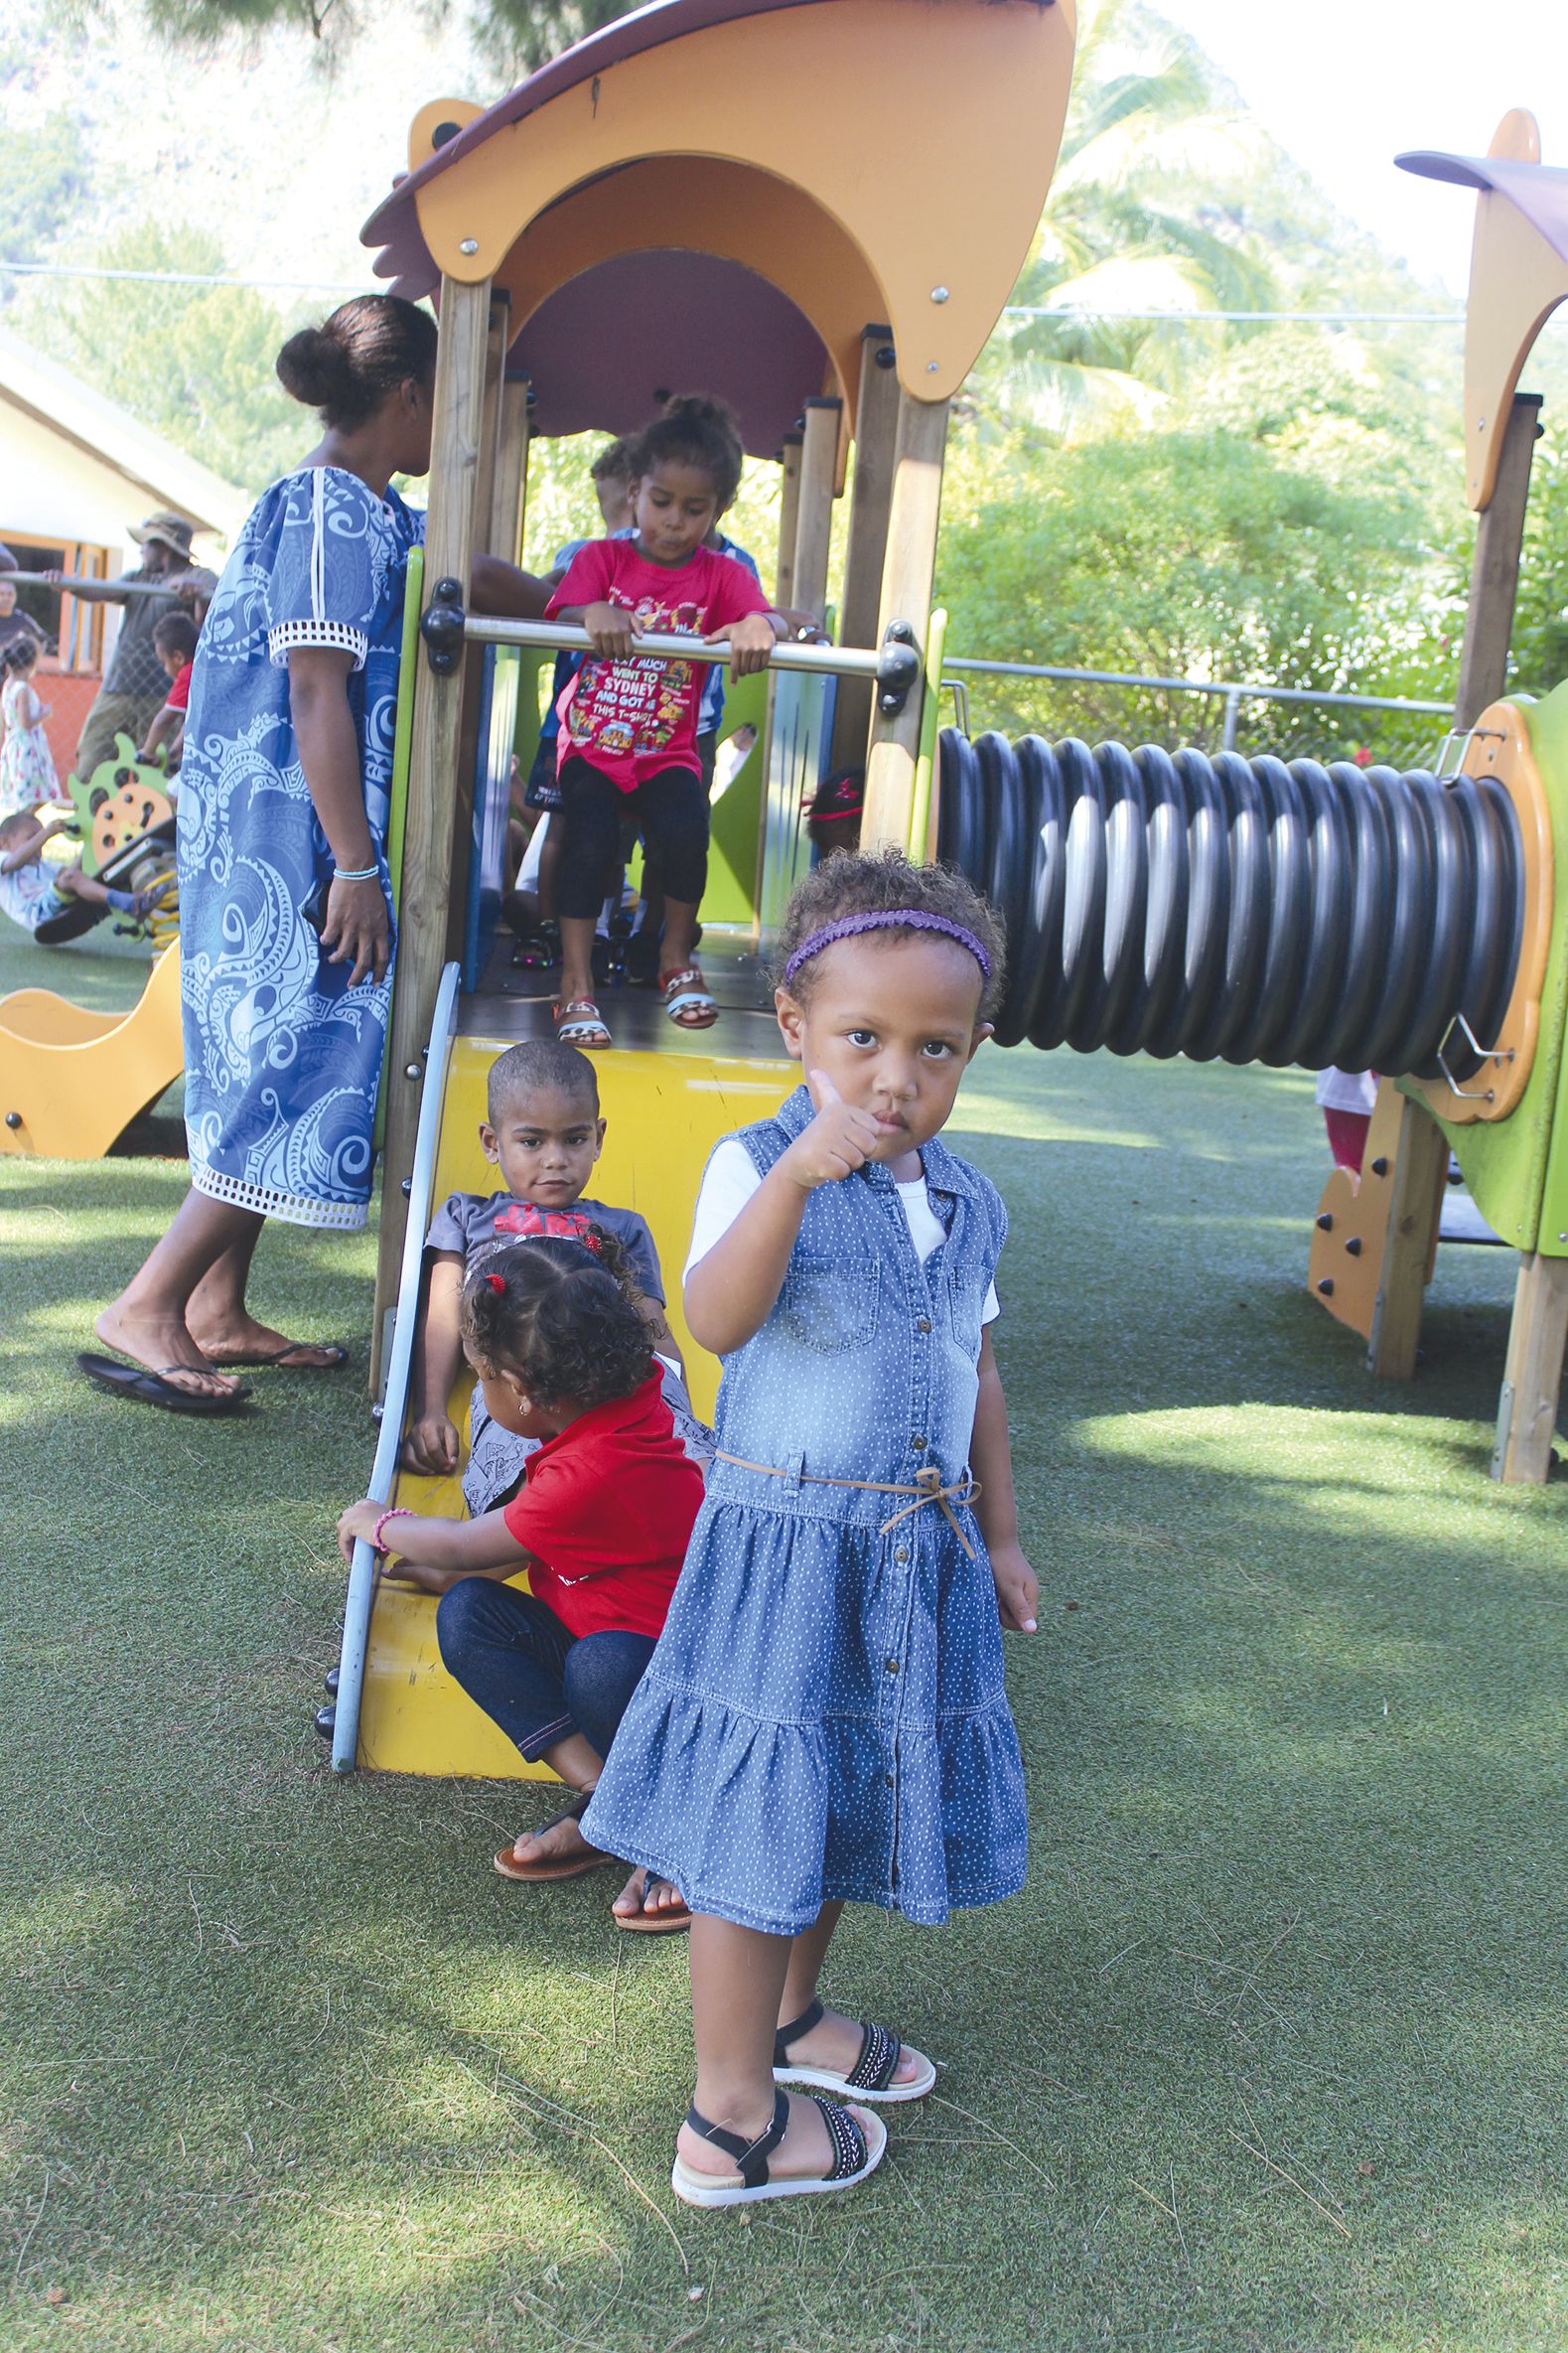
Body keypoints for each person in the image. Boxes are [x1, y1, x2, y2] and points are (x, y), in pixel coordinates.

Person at [580, 848, 1038, 2208]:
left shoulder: (965, 1202)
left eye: (934, 1048)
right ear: (793, 1028)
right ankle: (727, 2121)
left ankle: (788, 2019)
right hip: (785, 1551)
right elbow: (712, 1322)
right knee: (754, 1817)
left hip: (911, 1553)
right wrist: (796, 1182)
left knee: (836, 1787)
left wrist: (1000, 1536)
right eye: (862, 1040)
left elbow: (978, 1374)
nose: (896, 1078)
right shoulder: (755, 1163)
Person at [82, 294, 551, 1417]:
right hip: (294, 838)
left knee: (273, 1052)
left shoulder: (368, 510)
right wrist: (352, 862)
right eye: (450, 407)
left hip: (294, 830)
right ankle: (146, 1300)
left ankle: (215, 1305)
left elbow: (468, 574)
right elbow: (312, 685)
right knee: (295, 1051)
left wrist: (597, 598)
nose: (455, 430)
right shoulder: (333, 507)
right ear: (407, 399)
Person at [338, 1234, 704, 1932]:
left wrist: (381, 1524)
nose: (477, 1391)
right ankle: (607, 1803)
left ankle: (671, 1825)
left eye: (481, 1377)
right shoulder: (626, 1395)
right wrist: (453, 1570)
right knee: (471, 1611)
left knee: (598, 1666)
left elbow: (471, 1540)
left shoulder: (594, 1468)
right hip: (605, 1635)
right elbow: (500, 1554)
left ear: (528, 1393)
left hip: (668, 1679)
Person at [544, 396, 784, 1050]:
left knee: (684, 830)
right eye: (661, 501)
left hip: (667, 750)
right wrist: (592, 611)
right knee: (589, 840)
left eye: (694, 509)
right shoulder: (603, 559)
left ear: (719, 511)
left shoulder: (721, 575)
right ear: (634, 492)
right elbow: (562, 611)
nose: (674, 522)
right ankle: (575, 979)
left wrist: (760, 625)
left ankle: (676, 959)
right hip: (593, 744)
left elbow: (766, 617)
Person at [403, 1037, 707, 1515]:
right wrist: (431, 1411)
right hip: (519, 1390)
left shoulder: (622, 1227)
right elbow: (442, 1316)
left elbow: (653, 1330)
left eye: (575, 1139)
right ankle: (517, 1532)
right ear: (491, 1142)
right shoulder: (466, 1217)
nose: (555, 1159)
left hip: (610, 1385)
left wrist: (679, 1416)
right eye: (531, 1141)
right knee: (517, 1468)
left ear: (599, 1137)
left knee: (688, 1463)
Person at [516, 437, 641, 946]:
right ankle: (597, 928)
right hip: (613, 720)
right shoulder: (618, 560)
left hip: (577, 719)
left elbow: (539, 592)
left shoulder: (581, 555)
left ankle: (551, 925)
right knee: (609, 835)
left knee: (559, 827)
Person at [48, 515, 196, 785]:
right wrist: (68, 584)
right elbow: (102, 591)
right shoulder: (137, 578)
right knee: (92, 763)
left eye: (145, 544)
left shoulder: (192, 578)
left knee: (155, 773)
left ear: (162, 546)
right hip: (117, 688)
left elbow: (212, 585)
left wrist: (194, 589)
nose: (140, 550)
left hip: (162, 697)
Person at [0, 808, 161, 934]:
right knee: (71, 877)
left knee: (86, 871)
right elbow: (15, 861)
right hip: (36, 913)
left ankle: (141, 896)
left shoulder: (42, 865)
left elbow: (72, 872)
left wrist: (89, 848)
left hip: (54, 903)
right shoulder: (4, 859)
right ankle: (127, 903)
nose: (38, 845)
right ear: (4, 842)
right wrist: (46, 833)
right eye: (31, 838)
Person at [0, 638, 60, 814]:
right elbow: (25, 722)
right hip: (28, 748)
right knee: (33, 793)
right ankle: (25, 822)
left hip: (13, 744)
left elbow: (7, 718)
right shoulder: (22, 689)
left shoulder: (7, 686)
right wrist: (44, 714)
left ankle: (24, 822)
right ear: (31, 663)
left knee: (24, 792)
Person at [137, 611, 202, 773]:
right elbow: (190, 722)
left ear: (178, 657)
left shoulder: (188, 674)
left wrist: (147, 751)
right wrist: (174, 749)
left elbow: (165, 719)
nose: (165, 669)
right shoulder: (203, 666)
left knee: (171, 792)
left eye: (164, 662)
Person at [0, 575, 50, 664]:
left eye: (10, 594)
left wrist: (32, 660)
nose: (6, 598)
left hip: (13, 669)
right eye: (2, 594)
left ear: (15, 596)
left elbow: (42, 640)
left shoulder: (22, 619)